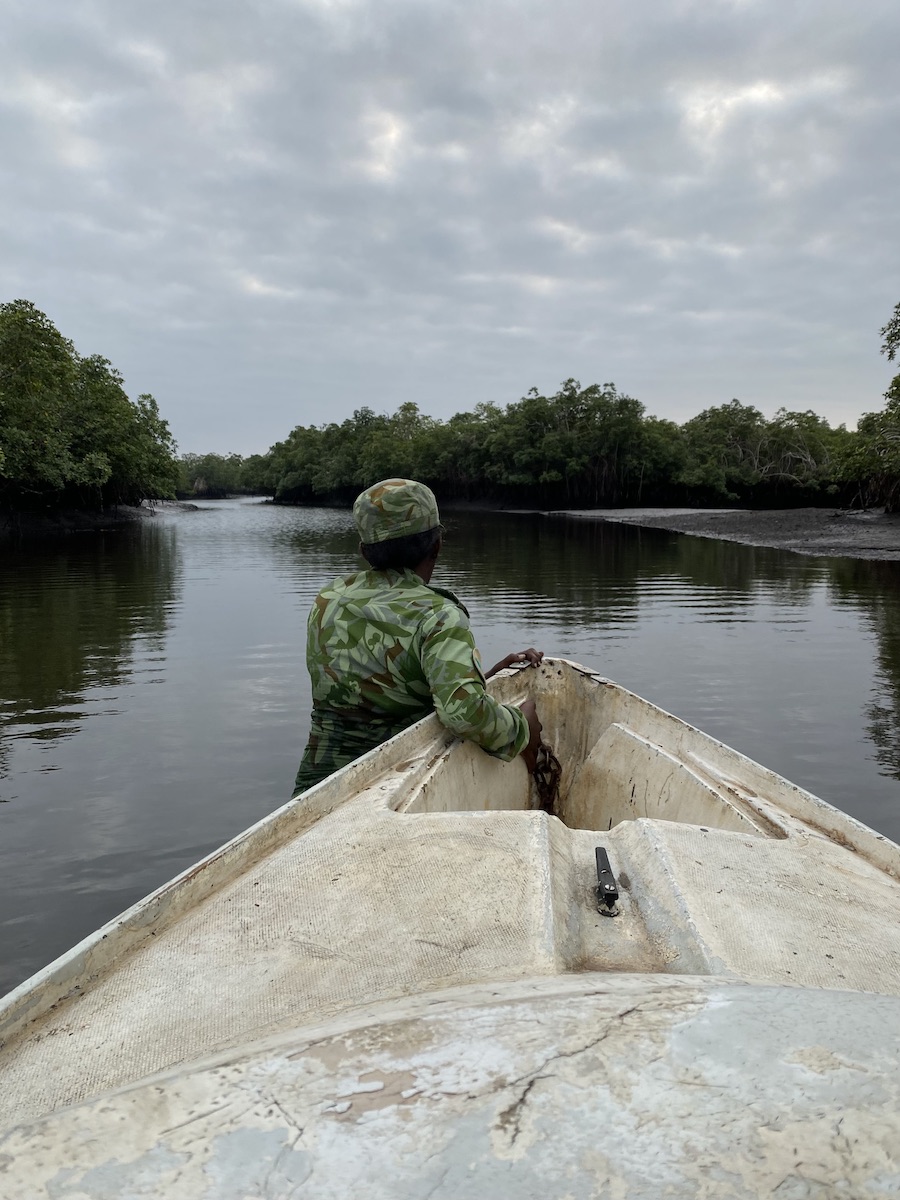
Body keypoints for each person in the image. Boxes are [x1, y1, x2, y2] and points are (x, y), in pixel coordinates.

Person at [293, 477, 543, 795]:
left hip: (316, 787)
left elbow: (379, 692)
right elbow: (463, 715)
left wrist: (480, 677)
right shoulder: (437, 615)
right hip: (392, 785)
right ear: (437, 545)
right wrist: (523, 728)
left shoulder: (328, 600)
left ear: (364, 551)